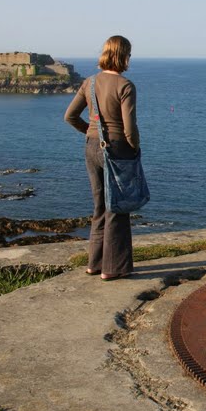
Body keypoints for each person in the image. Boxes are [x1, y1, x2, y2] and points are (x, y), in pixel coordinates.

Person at [64, 35, 140, 280]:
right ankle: (113, 268)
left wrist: (90, 131)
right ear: (123, 56)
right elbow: (129, 128)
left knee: (99, 206)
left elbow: (70, 116)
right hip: (118, 149)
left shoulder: (89, 82)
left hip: (92, 146)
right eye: (128, 54)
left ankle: (94, 264)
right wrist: (135, 148)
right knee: (117, 207)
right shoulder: (125, 85)